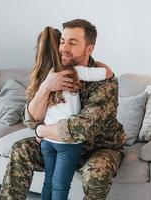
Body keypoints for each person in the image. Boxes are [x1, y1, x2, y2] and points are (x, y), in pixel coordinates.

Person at [0, 19, 126, 200]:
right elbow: (30, 119)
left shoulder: (103, 80)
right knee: (20, 149)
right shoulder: (52, 72)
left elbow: (82, 129)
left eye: (72, 43)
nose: (64, 48)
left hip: (97, 148)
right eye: (62, 41)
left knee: (96, 172)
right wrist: (45, 87)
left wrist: (40, 130)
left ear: (89, 49)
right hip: (58, 143)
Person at [26, 26, 113, 200]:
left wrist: (40, 130)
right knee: (60, 186)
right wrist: (103, 66)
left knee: (49, 181)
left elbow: (32, 117)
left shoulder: (43, 76)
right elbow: (106, 73)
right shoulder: (74, 71)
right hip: (67, 142)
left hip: (47, 141)